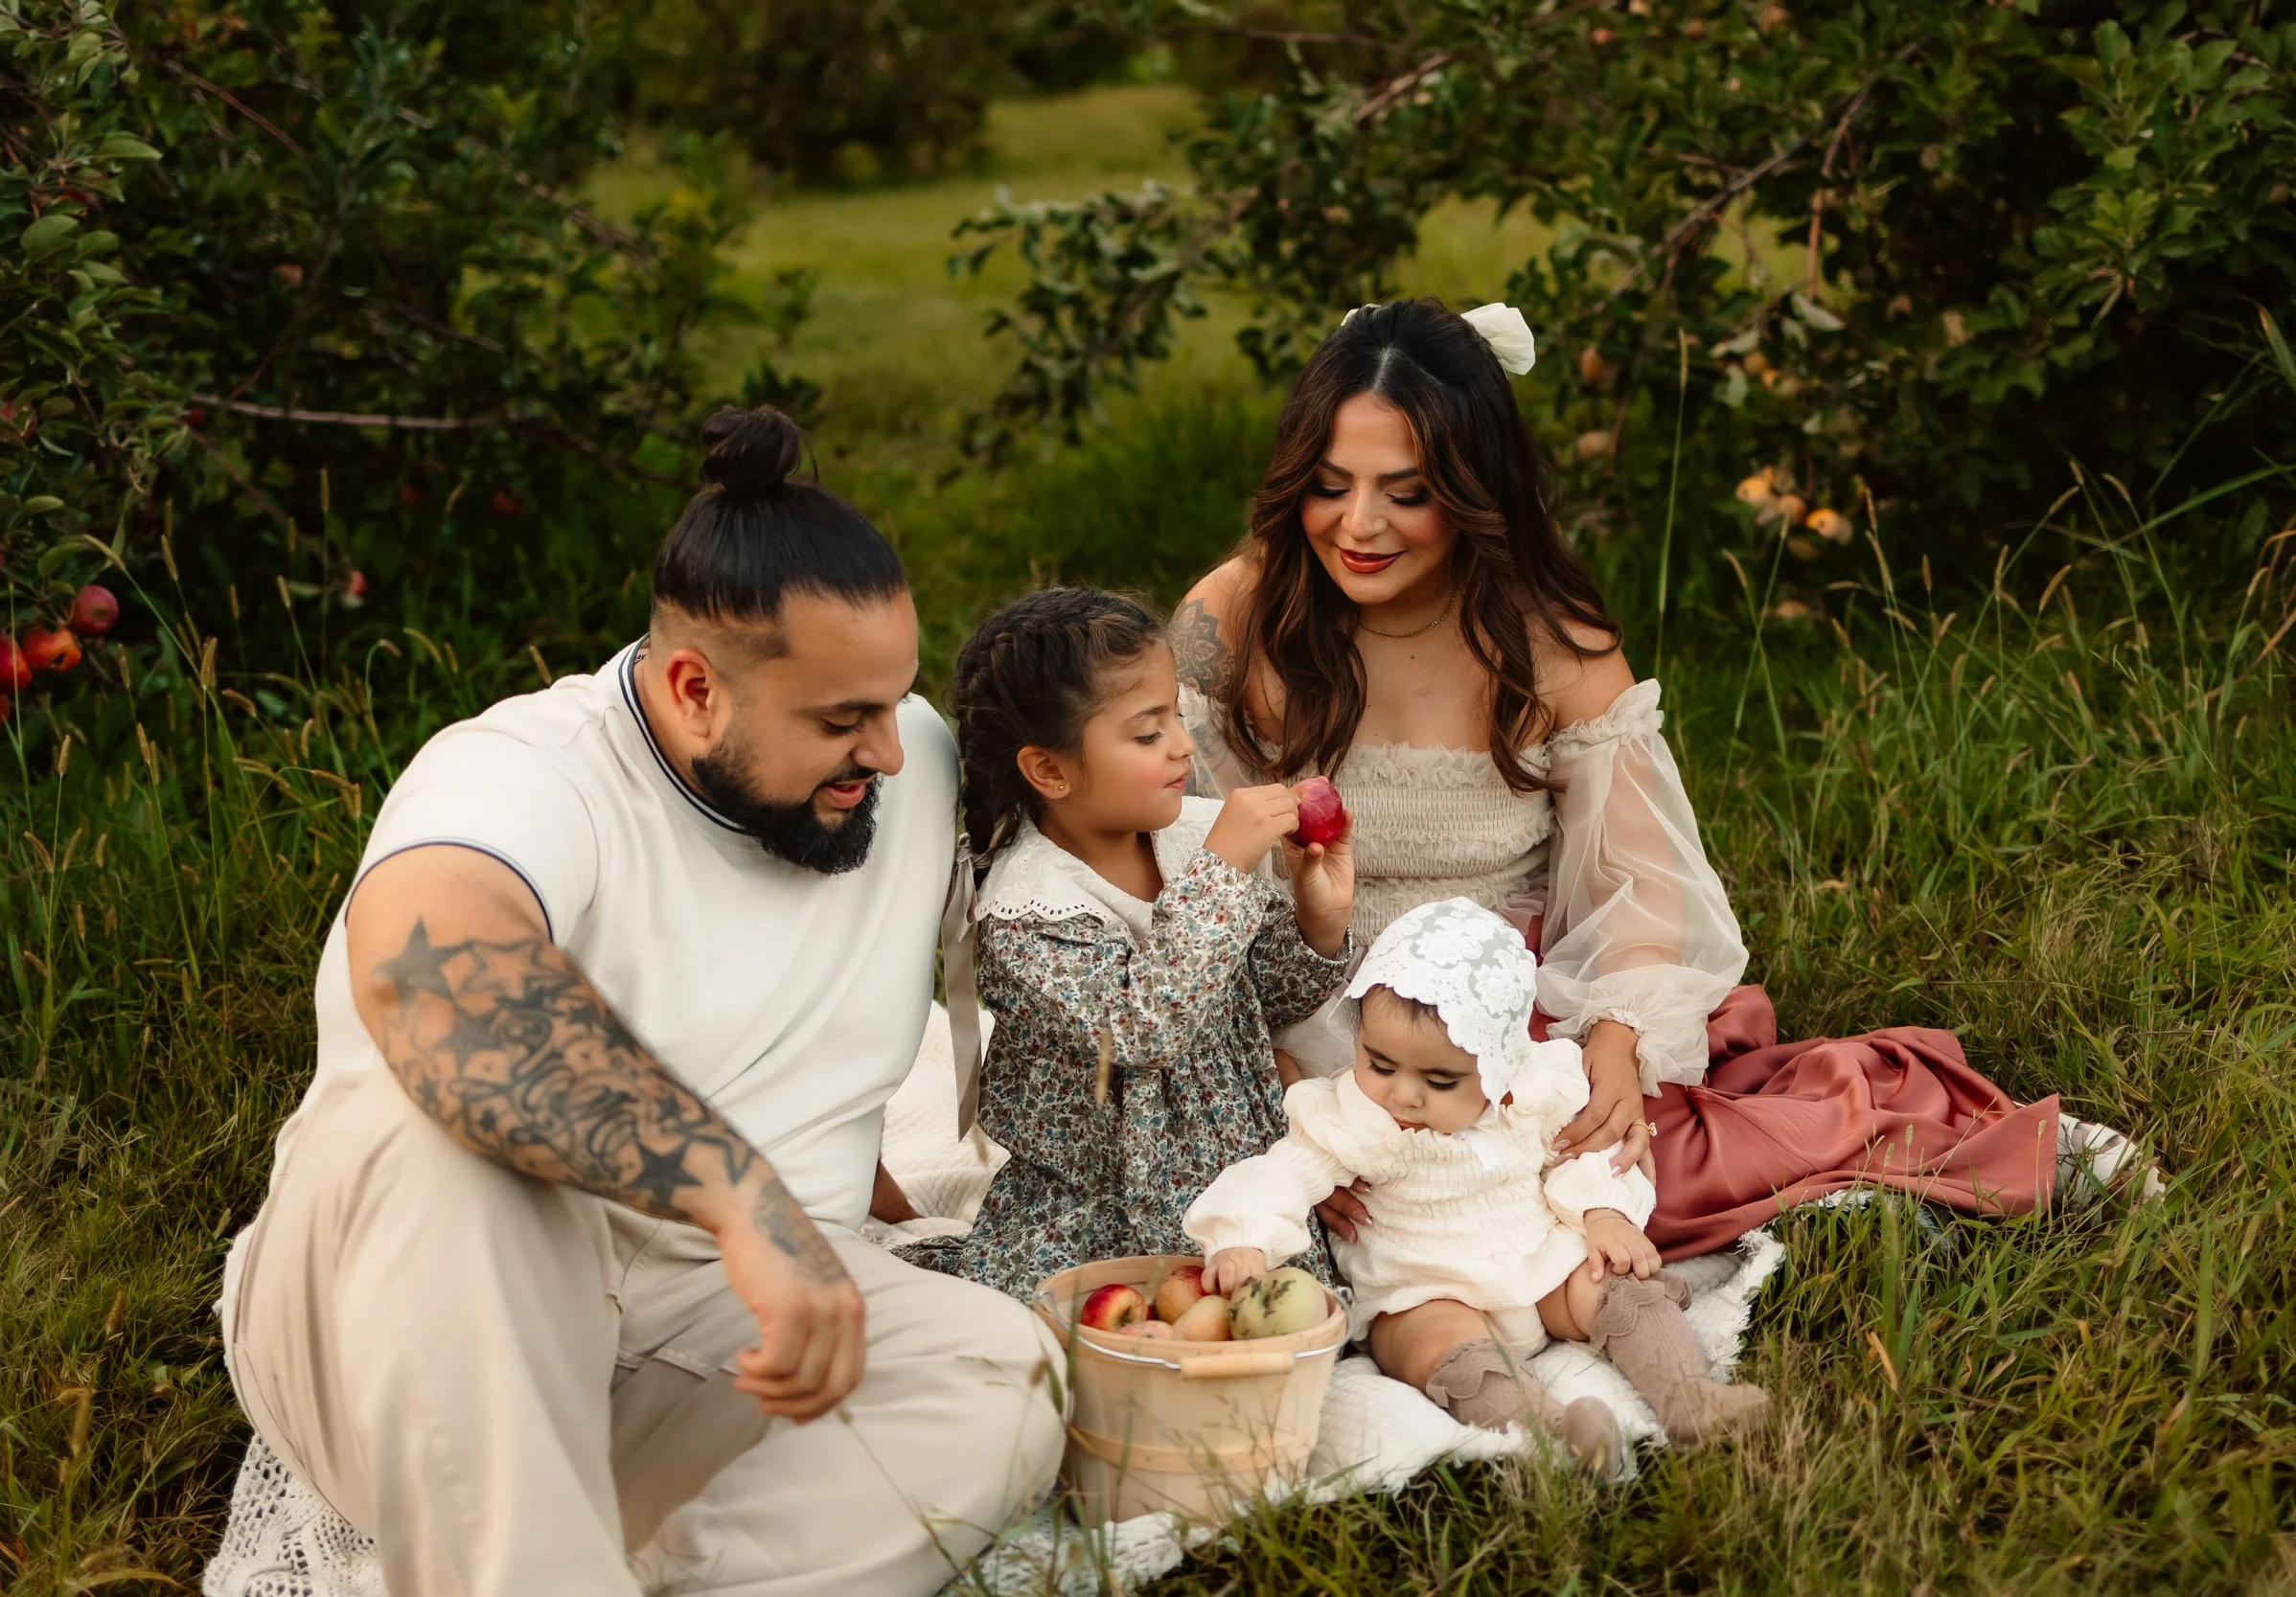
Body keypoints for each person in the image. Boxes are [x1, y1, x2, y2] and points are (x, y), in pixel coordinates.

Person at [213, 407, 1064, 1597]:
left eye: (894, 701)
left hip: (713, 1330)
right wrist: (741, 1197)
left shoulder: (898, 751)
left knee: (1004, 1373)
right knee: (444, 1131)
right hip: (419, 1307)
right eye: (839, 721)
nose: (888, 751)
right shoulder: (523, 769)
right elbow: (436, 984)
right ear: (692, 687)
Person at [1169, 297, 2157, 1262]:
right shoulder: (1238, 618)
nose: (1359, 523)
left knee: (1617, 1173)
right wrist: (1279, 1076)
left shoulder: (1549, 642)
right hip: (1300, 1008)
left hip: (1498, 1012)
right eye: (1330, 484)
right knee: (1289, 1201)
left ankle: (1976, 1146)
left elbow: (1639, 883)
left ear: (1474, 489)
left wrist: (1614, 1041)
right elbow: (1163, 858)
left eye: (1407, 492)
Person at [1187, 899, 1771, 1475]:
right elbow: (1285, 1172)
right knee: (1430, 1346)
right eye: (1380, 1064)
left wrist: (1602, 1212)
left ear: (1500, 1066)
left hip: (1536, 1261)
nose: (1403, 1094)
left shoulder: (1534, 1091)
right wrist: (1243, 1237)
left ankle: (1688, 1398)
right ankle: (1557, 1435)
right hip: (1423, 1286)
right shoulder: (1355, 1117)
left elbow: (1582, 1152)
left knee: (1614, 1282)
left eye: (1440, 1080)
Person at [925, 586, 1354, 1301]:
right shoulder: (1027, 911)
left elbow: (1259, 999)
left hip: (1234, 1194)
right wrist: (1223, 870)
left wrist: (1318, 921)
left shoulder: (1191, 838)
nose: (1183, 745)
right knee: (1083, 1322)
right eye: (1149, 734)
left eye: (1176, 717)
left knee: (1288, 1320)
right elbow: (1144, 1028)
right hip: (1100, 1216)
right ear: (1051, 770)